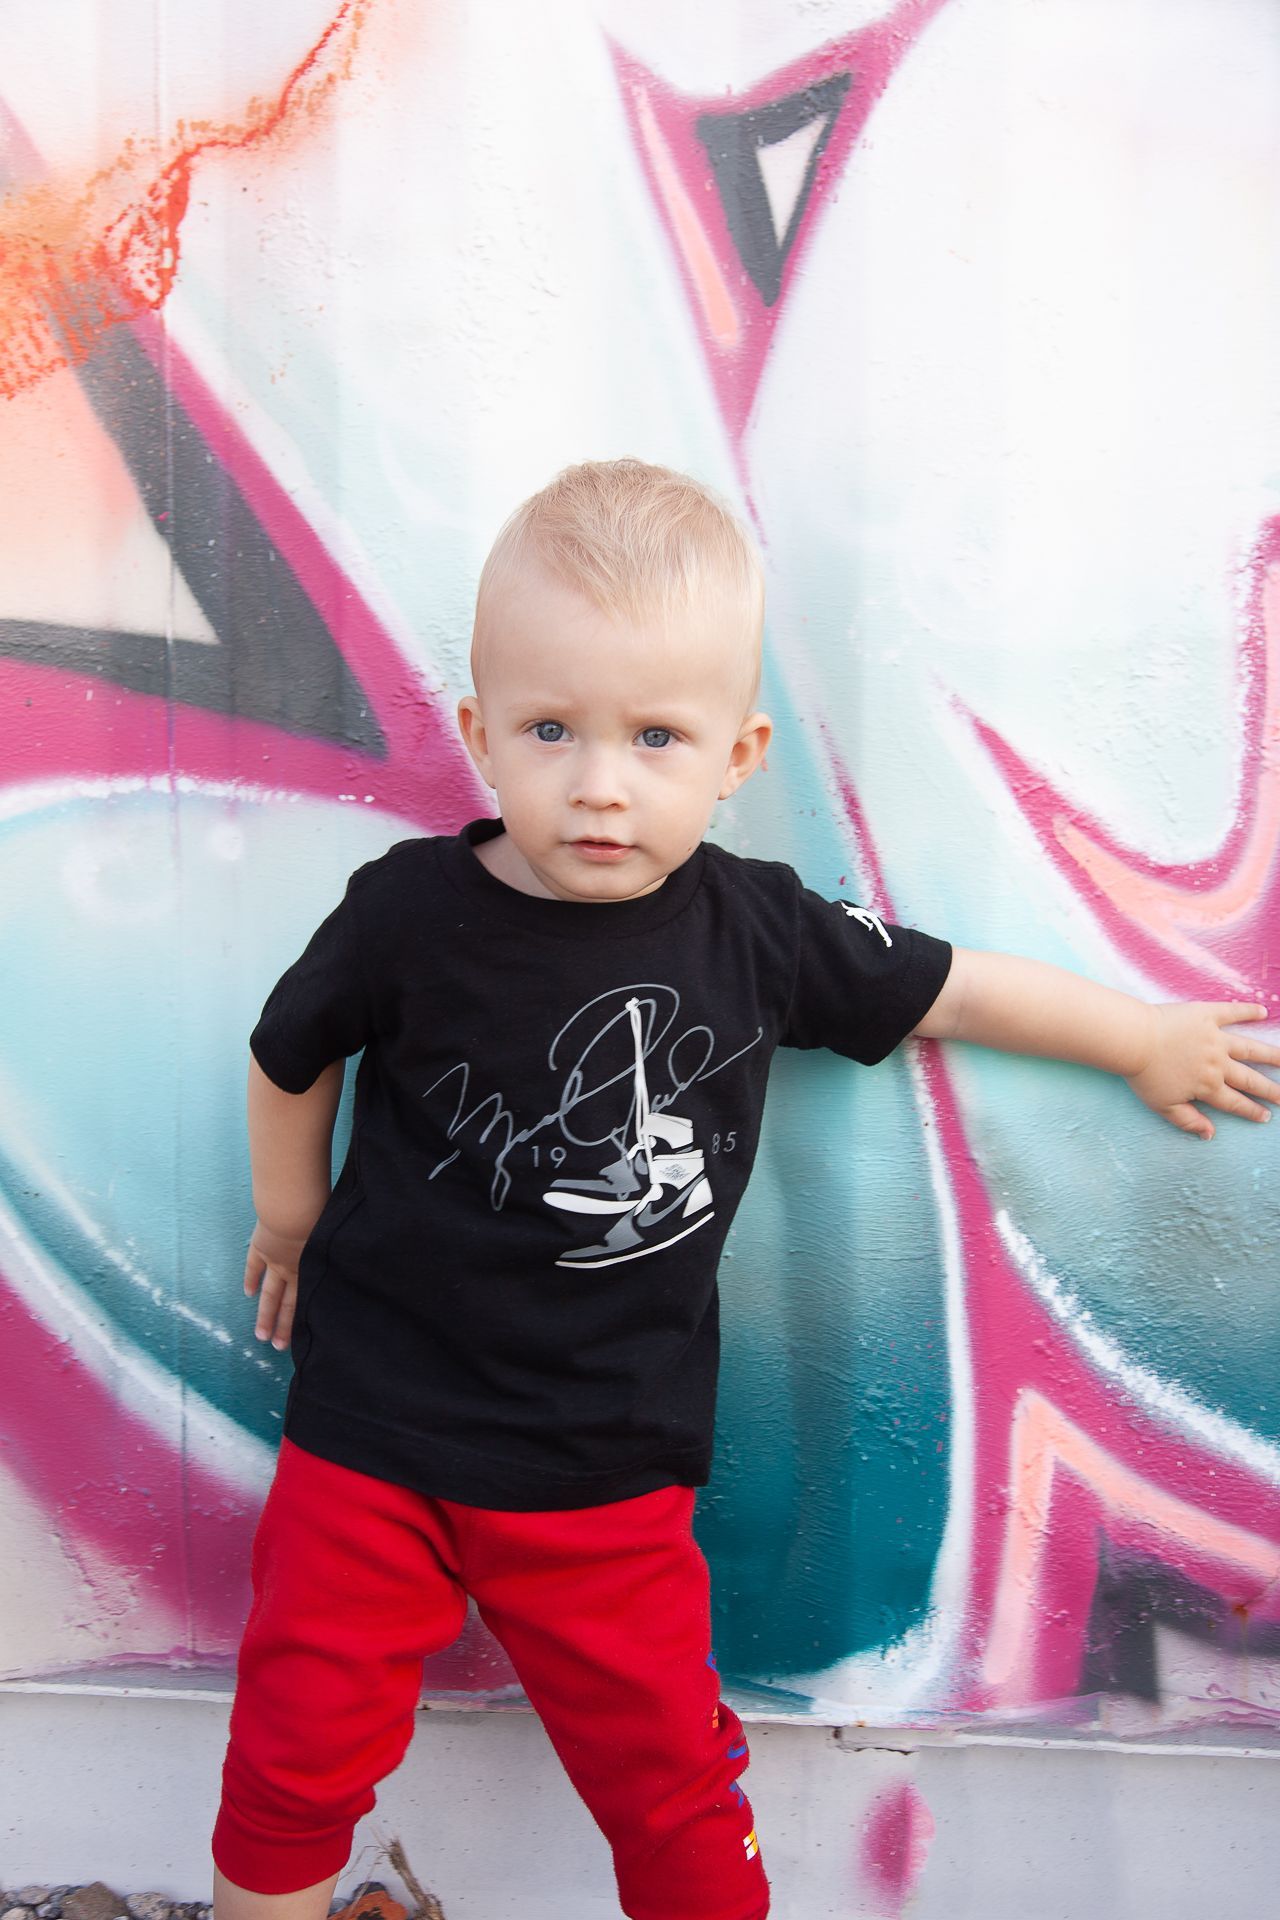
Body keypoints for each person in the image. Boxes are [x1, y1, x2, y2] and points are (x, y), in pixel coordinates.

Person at [212, 459, 1279, 1920]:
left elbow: (957, 991)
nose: (600, 782)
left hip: (605, 1476)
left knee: (675, 1793)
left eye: (657, 736)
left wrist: (1141, 1038)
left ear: (738, 754)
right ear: (478, 733)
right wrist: (289, 1216)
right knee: (290, 1764)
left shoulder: (758, 931)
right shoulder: (406, 910)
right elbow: (290, 1055)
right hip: (369, 1447)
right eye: (550, 729)